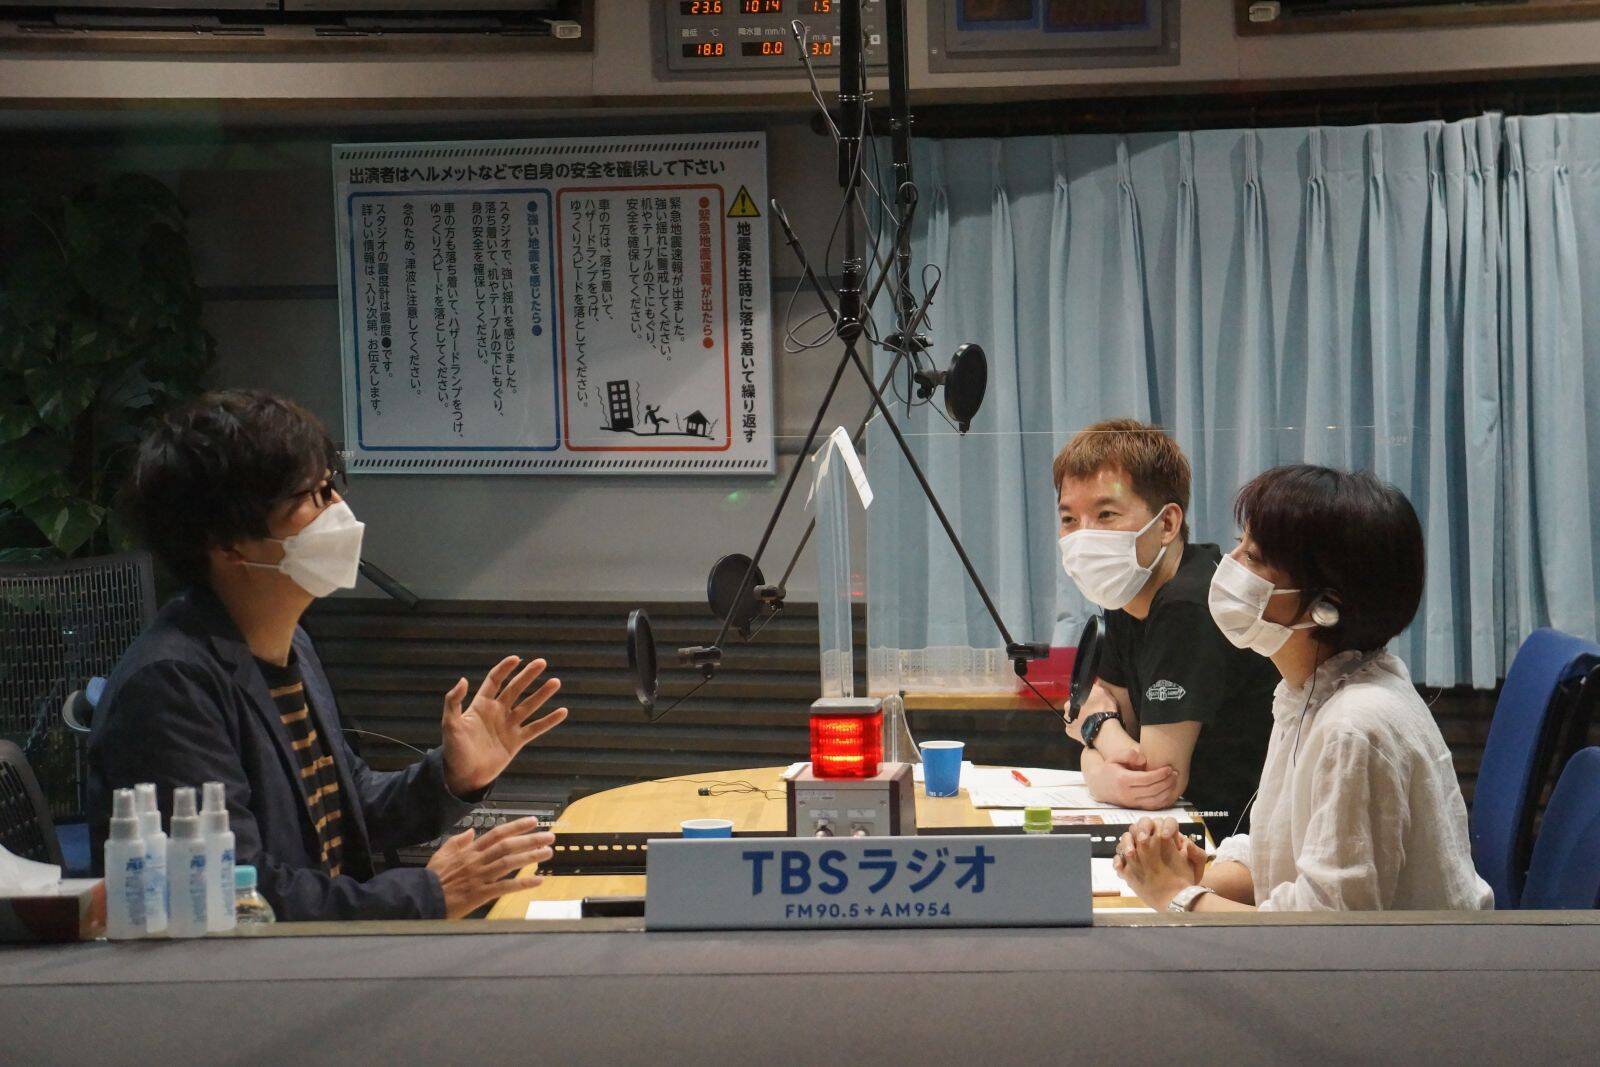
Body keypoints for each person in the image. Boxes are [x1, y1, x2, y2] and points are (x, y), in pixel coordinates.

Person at [88, 390, 569, 921]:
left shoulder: (289, 639)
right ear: (228, 544)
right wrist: (426, 895)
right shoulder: (169, 687)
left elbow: (347, 805)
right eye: (313, 496)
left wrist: (453, 775)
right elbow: (235, 893)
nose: (339, 510)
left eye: (331, 487)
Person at [1114, 465, 1494, 912]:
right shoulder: (1308, 692)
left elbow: (1321, 931)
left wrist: (1175, 897)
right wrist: (1187, 872)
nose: (1229, 565)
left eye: (1254, 557)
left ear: (1325, 606)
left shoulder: (1355, 727)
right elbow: (1282, 856)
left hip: (1394, 960)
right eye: (1239, 544)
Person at [1055, 419, 1278, 826]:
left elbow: (1155, 781)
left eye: (1106, 514)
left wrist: (1094, 731)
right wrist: (1101, 739)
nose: (1083, 535)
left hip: (1229, 836)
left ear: (1167, 524)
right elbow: (1117, 733)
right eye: (1069, 519)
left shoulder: (1191, 603)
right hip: (1176, 827)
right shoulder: (1127, 590)